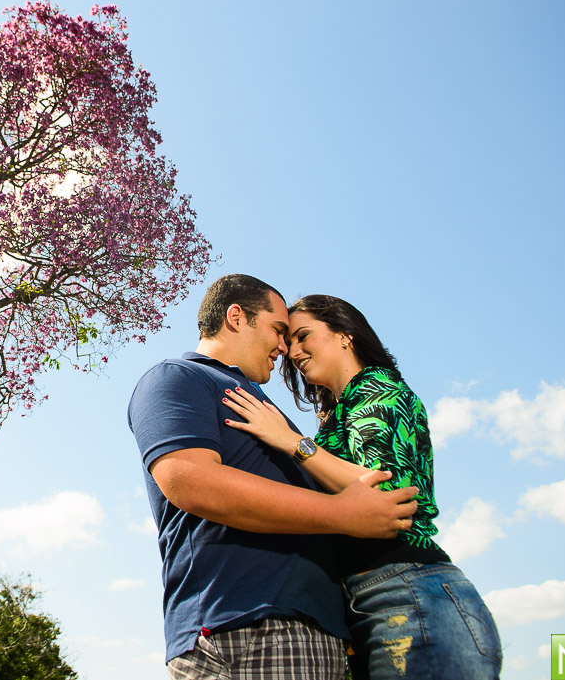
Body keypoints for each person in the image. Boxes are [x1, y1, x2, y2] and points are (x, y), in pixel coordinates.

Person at [128, 274, 420, 680]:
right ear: (236, 317)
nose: (285, 348)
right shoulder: (178, 376)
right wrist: (341, 513)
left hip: (317, 632)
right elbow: (189, 481)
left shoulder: (266, 408)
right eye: (278, 330)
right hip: (246, 624)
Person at [222, 294, 502, 680]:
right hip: (364, 605)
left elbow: (383, 497)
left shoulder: (379, 388)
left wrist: (290, 441)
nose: (293, 351)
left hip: (409, 591)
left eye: (304, 336)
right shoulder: (336, 417)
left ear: (345, 335)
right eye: (289, 342)